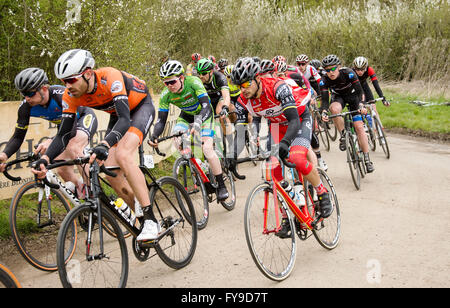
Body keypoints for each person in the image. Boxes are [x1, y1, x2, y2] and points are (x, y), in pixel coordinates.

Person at [31, 49, 159, 242]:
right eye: (64, 81)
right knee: (109, 170)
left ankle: (151, 221)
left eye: (71, 80)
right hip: (117, 114)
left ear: (88, 73)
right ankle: (140, 213)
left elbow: (125, 119)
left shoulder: (111, 77)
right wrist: (45, 158)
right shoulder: (70, 95)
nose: (67, 86)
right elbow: (64, 134)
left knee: (123, 154)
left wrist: (105, 143)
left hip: (140, 107)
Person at [231, 57, 333, 225]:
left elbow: (293, 120)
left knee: (297, 158)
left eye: (246, 84)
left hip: (299, 119)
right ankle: (286, 218)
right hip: (277, 125)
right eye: (238, 86)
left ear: (258, 78)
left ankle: (322, 193)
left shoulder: (278, 87)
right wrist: (231, 156)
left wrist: (285, 143)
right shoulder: (243, 100)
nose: (243, 90)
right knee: (272, 175)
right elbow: (241, 131)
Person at [0, 67, 97, 196]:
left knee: (73, 146)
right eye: (23, 94)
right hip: (64, 127)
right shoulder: (25, 107)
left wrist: (51, 141)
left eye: (30, 93)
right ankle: (82, 194)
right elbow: (18, 137)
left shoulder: (60, 96)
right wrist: (4, 155)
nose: (27, 98)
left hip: (83, 119)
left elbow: (71, 132)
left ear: (44, 89)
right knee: (61, 167)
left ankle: (94, 192)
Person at [148, 60, 229, 201]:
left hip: (204, 114)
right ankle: (198, 166)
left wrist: (198, 122)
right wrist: (155, 135)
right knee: (177, 139)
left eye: (172, 82)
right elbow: (161, 120)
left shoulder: (194, 82)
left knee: (207, 148)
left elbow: (205, 105)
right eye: (166, 83)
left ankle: (221, 185)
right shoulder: (166, 95)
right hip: (186, 116)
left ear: (181, 77)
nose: (169, 86)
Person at [319, 54, 375, 173]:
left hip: (354, 97)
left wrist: (361, 104)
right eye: (327, 70)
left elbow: (360, 91)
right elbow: (324, 100)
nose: (331, 72)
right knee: (333, 109)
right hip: (339, 98)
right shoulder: (324, 80)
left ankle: (367, 158)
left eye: (333, 68)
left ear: (339, 67)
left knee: (359, 127)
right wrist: (323, 111)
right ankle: (343, 135)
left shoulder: (348, 73)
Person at [274, 60, 328, 171]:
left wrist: (311, 99)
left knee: (307, 143)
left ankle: (318, 163)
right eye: (275, 74)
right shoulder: (271, 86)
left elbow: (307, 89)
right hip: (282, 116)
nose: (278, 77)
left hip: (301, 103)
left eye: (280, 74)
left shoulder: (294, 77)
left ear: (285, 72)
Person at [195, 58, 234, 152]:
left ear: (211, 72)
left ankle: (231, 145)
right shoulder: (197, 80)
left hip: (219, 99)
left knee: (220, 113)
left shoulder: (220, 77)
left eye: (204, 73)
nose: (201, 76)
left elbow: (226, 96)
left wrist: (225, 107)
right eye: (199, 73)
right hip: (207, 101)